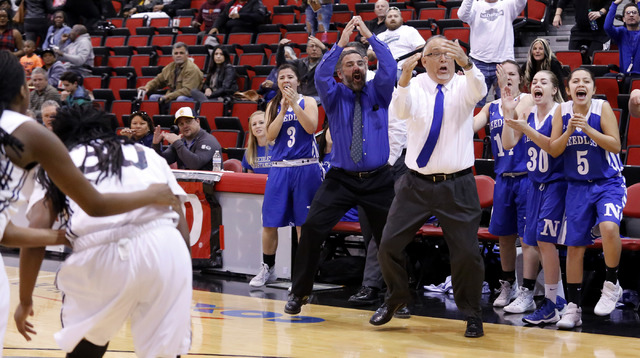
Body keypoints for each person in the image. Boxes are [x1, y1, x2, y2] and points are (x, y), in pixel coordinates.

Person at [0, 49, 176, 356]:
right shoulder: (31, 133)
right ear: (22, 91)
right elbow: (94, 204)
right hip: (161, 245)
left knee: (85, 349)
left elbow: (13, 230)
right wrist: (154, 196)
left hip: (105, 255)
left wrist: (54, 240)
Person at [14, 105, 193, 357]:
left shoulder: (61, 159)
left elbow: (37, 229)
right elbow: (178, 218)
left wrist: (24, 300)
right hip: (166, 244)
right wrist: (181, 275)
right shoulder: (148, 154)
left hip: (101, 250)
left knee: (85, 349)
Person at [373, 35, 486, 338]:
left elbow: (481, 89)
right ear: (424, 61)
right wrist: (405, 79)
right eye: (435, 53)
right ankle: (397, 298)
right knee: (389, 245)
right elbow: (399, 111)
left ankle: (472, 314)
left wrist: (468, 62)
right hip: (415, 185)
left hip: (457, 185)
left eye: (448, 53)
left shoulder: (465, 83)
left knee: (466, 253)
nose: (443, 59)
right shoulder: (414, 85)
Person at [283, 17, 396, 315]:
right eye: (349, 64)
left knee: (391, 239)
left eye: (360, 63)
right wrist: (341, 44)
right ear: (341, 72)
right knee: (312, 229)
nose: (356, 68)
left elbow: (390, 67)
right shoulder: (333, 96)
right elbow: (320, 74)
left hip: (379, 179)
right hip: (341, 179)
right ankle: (300, 292)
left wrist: (370, 38)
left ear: (366, 67)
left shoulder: (379, 93)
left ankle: (397, 298)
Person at [548, 68, 625, 329]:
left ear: (593, 88)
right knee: (574, 247)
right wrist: (570, 131)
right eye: (576, 81)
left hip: (607, 182)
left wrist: (588, 129)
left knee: (608, 227)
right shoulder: (562, 111)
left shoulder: (602, 108)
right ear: (568, 89)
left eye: (587, 81)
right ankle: (573, 307)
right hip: (577, 187)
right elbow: (554, 150)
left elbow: (616, 145)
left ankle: (612, 283)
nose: (581, 85)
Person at [472, 60, 539, 311]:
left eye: (512, 74)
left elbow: (517, 121)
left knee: (527, 238)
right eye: (502, 74)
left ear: (520, 78)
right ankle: (507, 284)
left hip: (526, 177)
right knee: (504, 237)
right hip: (503, 178)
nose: (507, 77)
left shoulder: (527, 100)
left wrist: (507, 97)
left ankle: (528, 291)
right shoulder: (491, 106)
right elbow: (471, 126)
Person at [502, 70, 567, 325]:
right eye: (535, 82)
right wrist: (509, 113)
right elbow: (508, 144)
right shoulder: (527, 113)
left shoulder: (560, 112)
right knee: (535, 242)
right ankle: (557, 298)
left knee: (544, 240)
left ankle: (552, 303)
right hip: (535, 184)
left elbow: (552, 146)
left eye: (544, 82)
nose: (537, 85)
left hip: (556, 183)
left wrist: (526, 127)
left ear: (553, 89)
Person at [249, 63, 323, 287]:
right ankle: (268, 268)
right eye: (281, 77)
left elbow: (311, 128)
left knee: (302, 224)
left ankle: (302, 275)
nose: (285, 80)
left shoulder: (309, 101)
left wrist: (294, 106)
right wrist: (282, 110)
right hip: (280, 168)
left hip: (305, 167)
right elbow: (270, 136)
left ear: (298, 81)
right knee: (270, 223)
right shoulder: (272, 104)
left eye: (290, 76)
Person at [458, 0, 527, 106]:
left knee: (507, 101)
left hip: (504, 63)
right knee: (475, 103)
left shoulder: (507, 5)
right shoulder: (476, 5)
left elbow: (522, 2)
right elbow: (462, 15)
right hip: (478, 61)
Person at [152, 106, 221, 170]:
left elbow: (195, 164)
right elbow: (161, 162)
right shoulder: (180, 141)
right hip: (186, 182)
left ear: (197, 121)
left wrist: (177, 143)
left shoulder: (208, 140)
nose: (185, 126)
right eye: (181, 124)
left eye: (188, 121)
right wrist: (156, 145)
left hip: (208, 182)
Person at [368, 6, 425, 80]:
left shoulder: (409, 30)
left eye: (396, 16)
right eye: (389, 17)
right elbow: (370, 54)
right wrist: (372, 53)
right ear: (385, 20)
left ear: (401, 19)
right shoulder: (380, 36)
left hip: (402, 70)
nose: (392, 18)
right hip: (381, 71)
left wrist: (410, 61)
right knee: (365, 80)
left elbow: (422, 48)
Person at [138, 42, 204, 105]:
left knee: (180, 99)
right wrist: (147, 87)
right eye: (176, 53)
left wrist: (168, 96)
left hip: (190, 98)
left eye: (181, 53)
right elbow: (158, 80)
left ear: (187, 55)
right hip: (173, 96)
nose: (178, 55)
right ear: (173, 56)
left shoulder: (192, 69)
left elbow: (188, 91)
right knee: (153, 97)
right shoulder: (170, 67)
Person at [276, 36, 326, 104]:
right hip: (299, 96)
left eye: (317, 46)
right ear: (307, 49)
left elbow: (333, 61)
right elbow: (282, 63)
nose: (314, 49)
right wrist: (281, 48)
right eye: (311, 46)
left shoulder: (325, 63)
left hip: (318, 97)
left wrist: (324, 48)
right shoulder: (300, 62)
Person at [604, 0, 640, 90]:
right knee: (605, 77)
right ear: (623, 18)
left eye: (634, 12)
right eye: (628, 13)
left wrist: (639, 3)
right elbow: (607, 27)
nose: (631, 15)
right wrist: (615, 4)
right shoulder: (620, 32)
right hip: (625, 76)